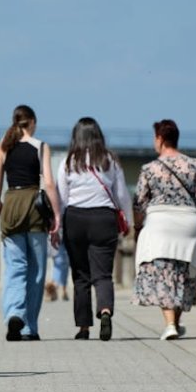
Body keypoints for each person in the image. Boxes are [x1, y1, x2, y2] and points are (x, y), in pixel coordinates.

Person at [131, 119, 196, 340]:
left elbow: (139, 203)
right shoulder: (195, 165)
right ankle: (175, 323)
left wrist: (138, 226)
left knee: (163, 273)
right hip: (189, 223)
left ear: (160, 139)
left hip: (160, 223)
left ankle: (170, 324)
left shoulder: (149, 169)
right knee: (182, 272)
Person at [57, 117, 131, 341]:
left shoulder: (68, 161)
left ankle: (83, 327)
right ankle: (105, 311)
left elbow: (61, 198)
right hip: (103, 218)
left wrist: (58, 226)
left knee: (80, 277)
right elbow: (121, 195)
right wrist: (127, 220)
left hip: (76, 219)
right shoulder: (109, 160)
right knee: (103, 274)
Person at [0, 105, 61, 341]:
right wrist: (57, 216)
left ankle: (14, 313)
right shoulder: (41, 147)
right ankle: (29, 327)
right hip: (34, 207)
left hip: (11, 203)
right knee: (37, 270)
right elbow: (49, 183)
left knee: (15, 268)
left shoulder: (4, 146)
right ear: (32, 122)